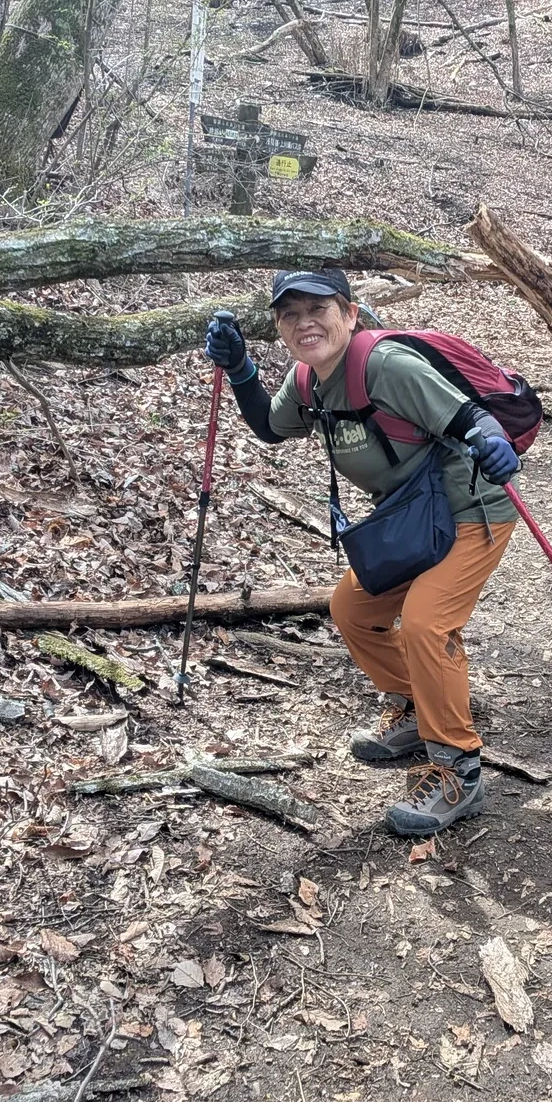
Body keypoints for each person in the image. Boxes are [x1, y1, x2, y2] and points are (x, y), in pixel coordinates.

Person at [202, 268, 521, 836]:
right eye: (289, 314)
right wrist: (239, 368)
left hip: (472, 510)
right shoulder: (307, 381)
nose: (305, 322)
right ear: (279, 328)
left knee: (426, 623)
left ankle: (457, 769)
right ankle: (415, 708)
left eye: (318, 309)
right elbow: (270, 428)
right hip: (410, 519)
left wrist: (493, 443)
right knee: (354, 611)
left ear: (350, 314)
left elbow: (472, 418)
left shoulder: (385, 366)